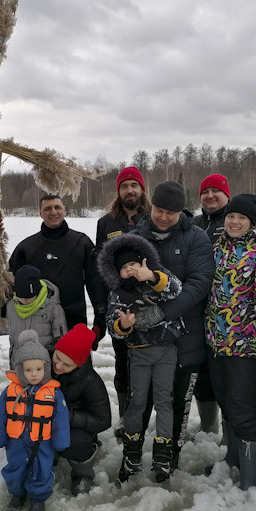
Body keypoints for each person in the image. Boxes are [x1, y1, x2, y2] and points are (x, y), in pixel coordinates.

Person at [205, 193, 256, 490]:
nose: (234, 221)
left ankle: (251, 482)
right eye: (231, 216)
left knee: (243, 409)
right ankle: (233, 459)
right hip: (216, 343)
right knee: (227, 404)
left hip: (247, 346)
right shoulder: (217, 249)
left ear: (253, 222)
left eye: (241, 218)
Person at [131, 180, 215, 471]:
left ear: (182, 212)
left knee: (178, 402)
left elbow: (199, 285)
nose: (164, 217)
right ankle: (133, 454)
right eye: (159, 209)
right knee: (142, 399)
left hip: (187, 338)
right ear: (151, 205)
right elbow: (120, 282)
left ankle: (170, 457)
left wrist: (162, 313)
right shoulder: (136, 237)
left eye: (172, 212)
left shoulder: (197, 238)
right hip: (145, 339)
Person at [98, 232, 183, 483]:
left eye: (133, 265)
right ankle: (132, 452)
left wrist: (154, 277)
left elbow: (177, 291)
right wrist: (123, 325)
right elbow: (112, 325)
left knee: (164, 400)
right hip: (138, 354)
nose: (130, 270)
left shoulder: (158, 277)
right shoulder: (117, 293)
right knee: (137, 403)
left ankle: (163, 454)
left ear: (143, 262)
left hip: (167, 351)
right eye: (124, 268)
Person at [0, 330, 70, 511]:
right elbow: (0, 415)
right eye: (28, 370)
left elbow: (60, 418)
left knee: (41, 469)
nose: (34, 374)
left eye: (38, 369)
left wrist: (61, 442)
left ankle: (38, 499)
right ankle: (17, 493)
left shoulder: (54, 394)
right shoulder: (10, 391)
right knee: (15, 468)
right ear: (19, 370)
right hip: (15, 441)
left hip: (42, 442)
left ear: (46, 368)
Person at [9, 194, 107, 347]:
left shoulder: (81, 243)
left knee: (79, 370)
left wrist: (100, 317)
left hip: (75, 322)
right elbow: (10, 285)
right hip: (39, 327)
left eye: (57, 207)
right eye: (47, 208)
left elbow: (95, 282)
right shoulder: (26, 248)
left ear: (64, 210)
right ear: (40, 213)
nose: (53, 212)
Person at [95, 166, 150, 436]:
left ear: (142, 189)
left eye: (134, 185)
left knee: (154, 359)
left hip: (152, 302)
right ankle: (125, 416)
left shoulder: (154, 217)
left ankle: (150, 414)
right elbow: (100, 264)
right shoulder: (106, 223)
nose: (130, 190)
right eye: (125, 186)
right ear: (118, 191)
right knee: (122, 360)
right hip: (120, 303)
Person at [191, 173, 232, 436]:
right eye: (205, 191)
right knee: (201, 370)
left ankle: (232, 431)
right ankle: (208, 425)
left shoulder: (237, 221)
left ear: (227, 194)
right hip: (197, 309)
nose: (210, 196)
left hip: (230, 314)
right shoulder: (193, 224)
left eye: (216, 191)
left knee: (229, 375)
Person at [51, 324, 111, 495]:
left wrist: (67, 417)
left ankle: (82, 473)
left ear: (78, 365)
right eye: (57, 358)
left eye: (67, 365)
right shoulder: (45, 366)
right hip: (46, 422)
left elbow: (103, 420)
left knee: (77, 442)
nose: (59, 366)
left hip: (75, 427)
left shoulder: (91, 382)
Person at [3, 264, 67, 363]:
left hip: (42, 367)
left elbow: (60, 340)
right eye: (20, 297)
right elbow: (2, 327)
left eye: (28, 298)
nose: (24, 301)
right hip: (18, 365)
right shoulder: (11, 306)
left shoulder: (52, 308)